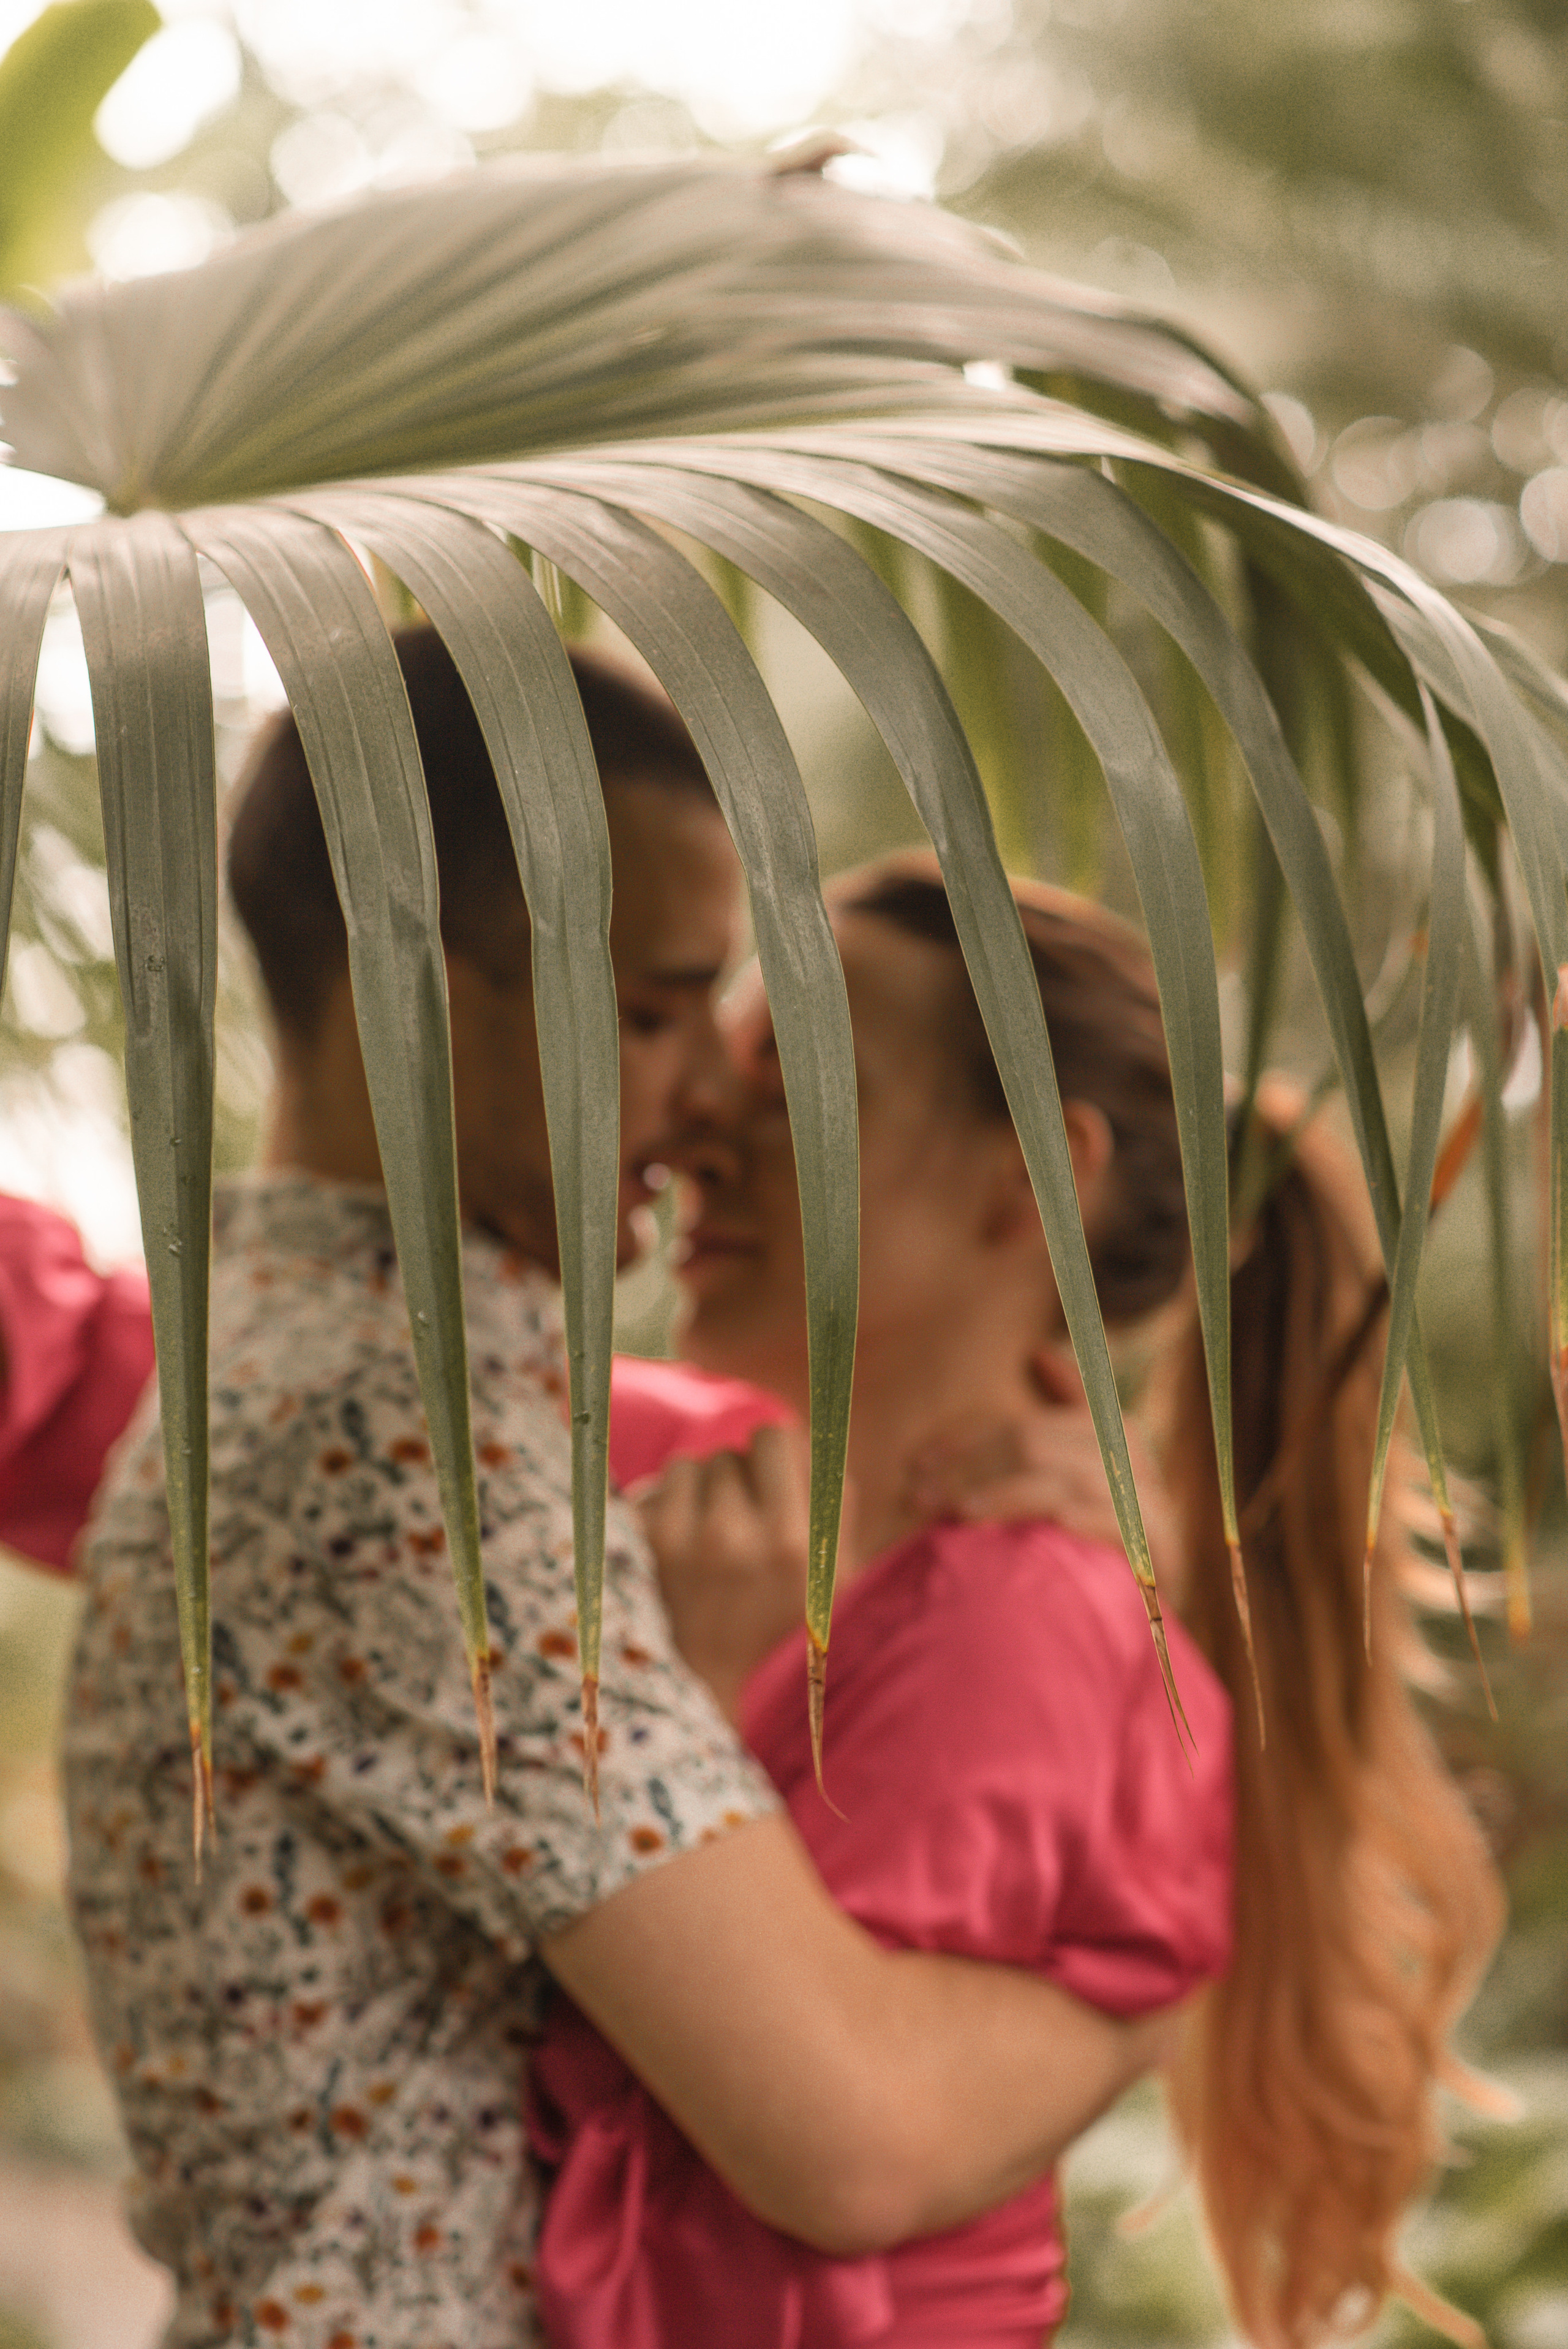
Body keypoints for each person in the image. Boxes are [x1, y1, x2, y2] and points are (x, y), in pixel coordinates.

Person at [55, 631, 1181, 2349]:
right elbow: (855, 2138)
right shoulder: (402, 1445)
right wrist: (1157, 1979)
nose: (709, 1096)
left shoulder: (337, 1365)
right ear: (405, 976)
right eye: (652, 1011)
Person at [524, 857, 1506, 2348]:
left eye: (791, 1075)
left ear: (1032, 1172)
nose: (692, 1132)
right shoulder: (676, 1477)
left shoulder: (1020, 1628)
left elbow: (784, 2213)